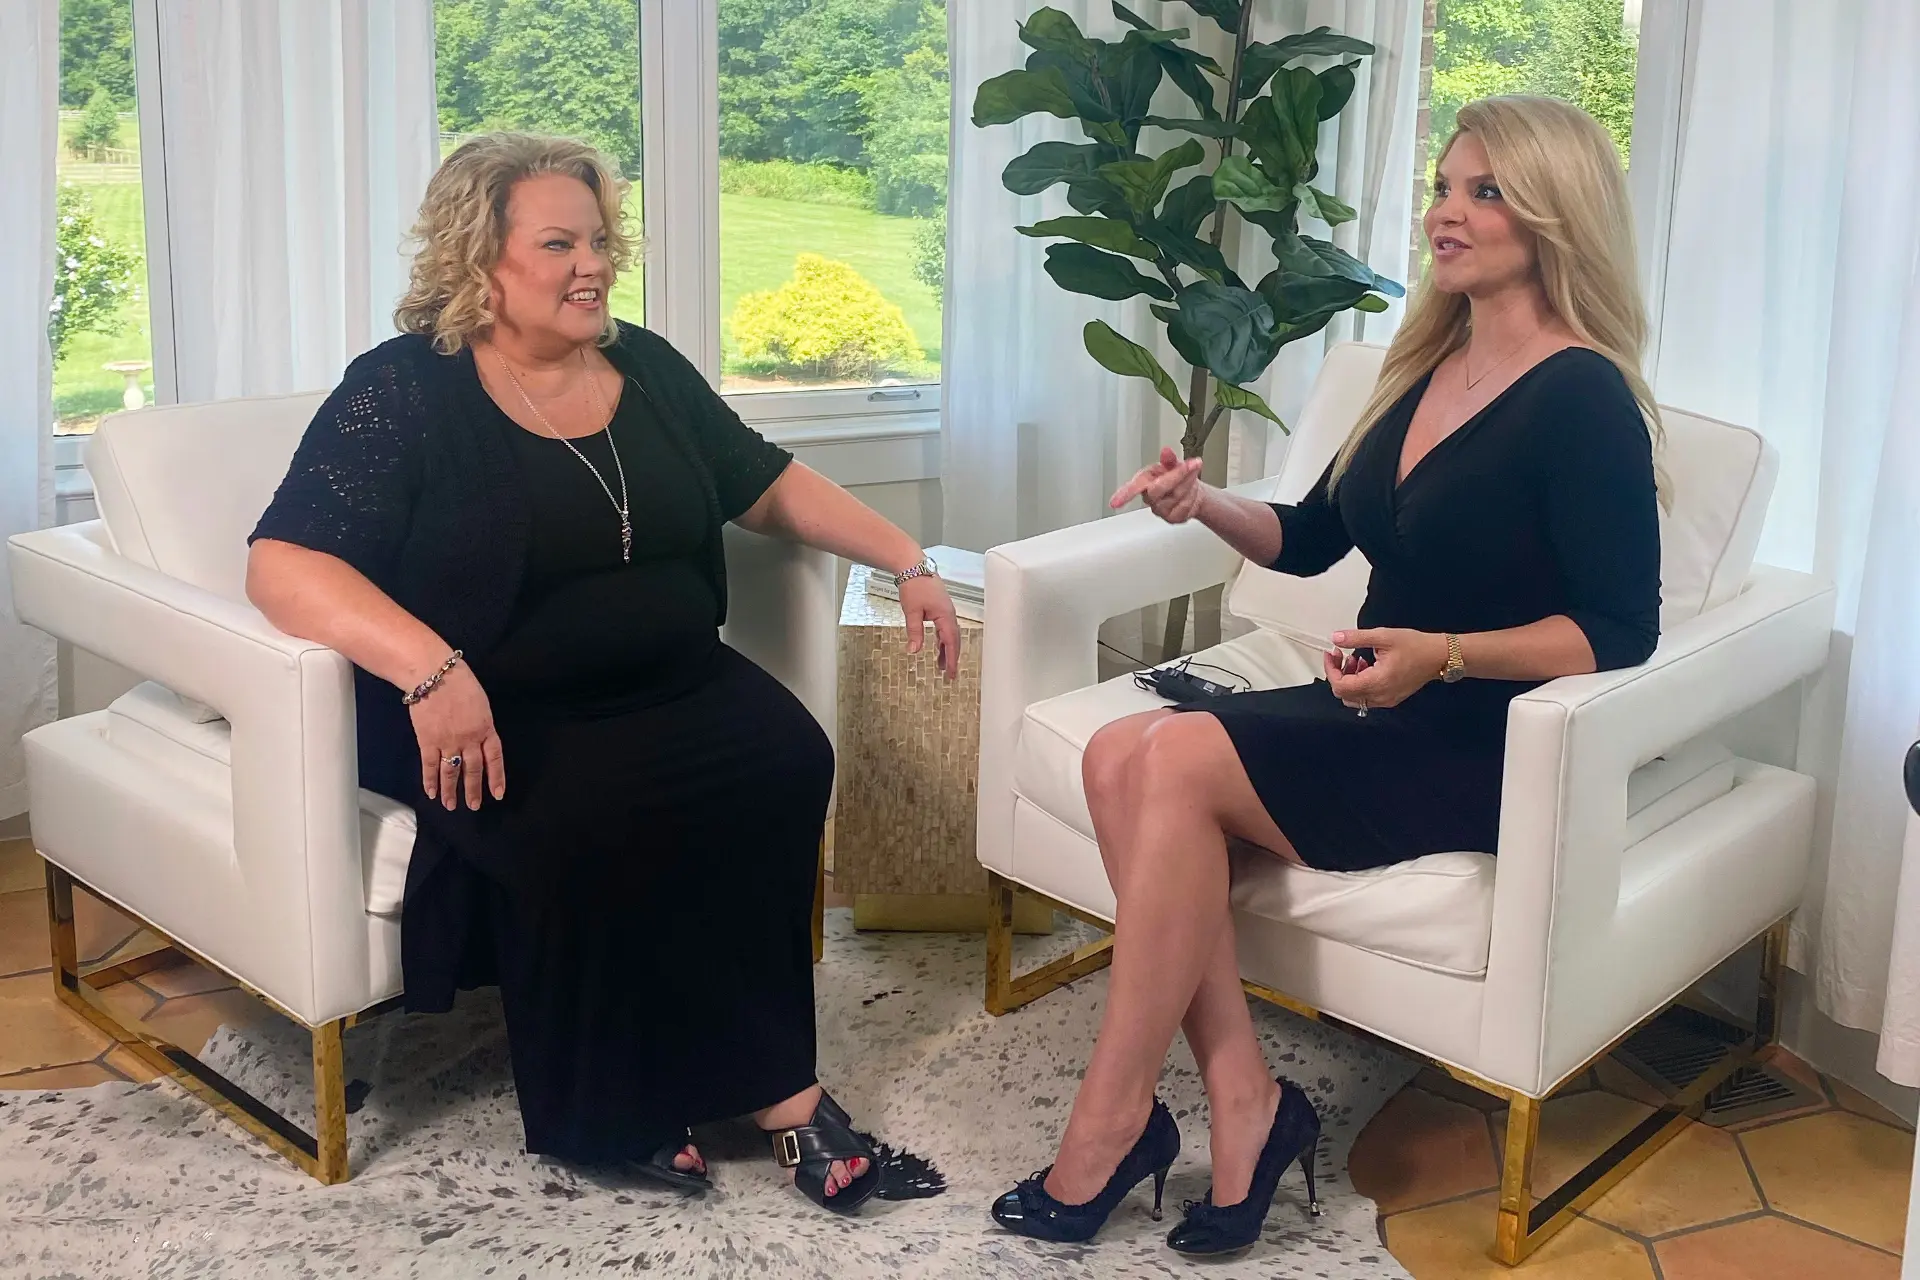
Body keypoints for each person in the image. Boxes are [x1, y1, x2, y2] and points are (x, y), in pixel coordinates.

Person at [990, 95, 1663, 1255]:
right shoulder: (1422, 362)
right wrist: (1201, 502)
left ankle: (1109, 1119)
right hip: (1366, 702)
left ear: (1555, 214)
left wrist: (1444, 654)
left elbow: (1618, 629)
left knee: (1176, 757)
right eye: (1445, 187)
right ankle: (1248, 1100)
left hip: (1474, 736)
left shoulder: (1584, 396)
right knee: (1116, 750)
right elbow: (1310, 534)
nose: (1445, 213)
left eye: (1483, 191)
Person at [247, 132, 960, 1214]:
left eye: (600, 239)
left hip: (671, 681)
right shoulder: (405, 392)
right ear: (478, 258)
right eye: (559, 243)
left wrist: (905, 555)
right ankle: (605, 1102)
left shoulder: (647, 366)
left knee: (783, 757)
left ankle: (773, 1082)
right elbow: (285, 561)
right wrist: (431, 669)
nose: (594, 264)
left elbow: (763, 480)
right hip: (497, 705)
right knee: (589, 810)